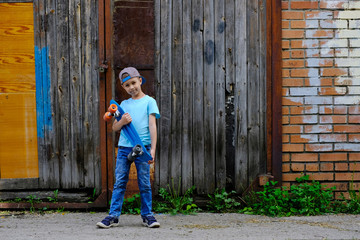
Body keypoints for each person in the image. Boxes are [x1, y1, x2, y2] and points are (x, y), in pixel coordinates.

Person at [97, 67, 160, 229]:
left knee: (144, 183)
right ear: (123, 88)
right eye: (127, 85)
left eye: (133, 83)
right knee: (120, 182)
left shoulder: (149, 101)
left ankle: (147, 215)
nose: (131, 87)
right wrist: (122, 121)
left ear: (140, 80)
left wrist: (152, 149)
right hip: (125, 148)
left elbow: (153, 126)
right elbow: (114, 128)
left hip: (142, 148)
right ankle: (113, 216)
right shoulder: (123, 105)